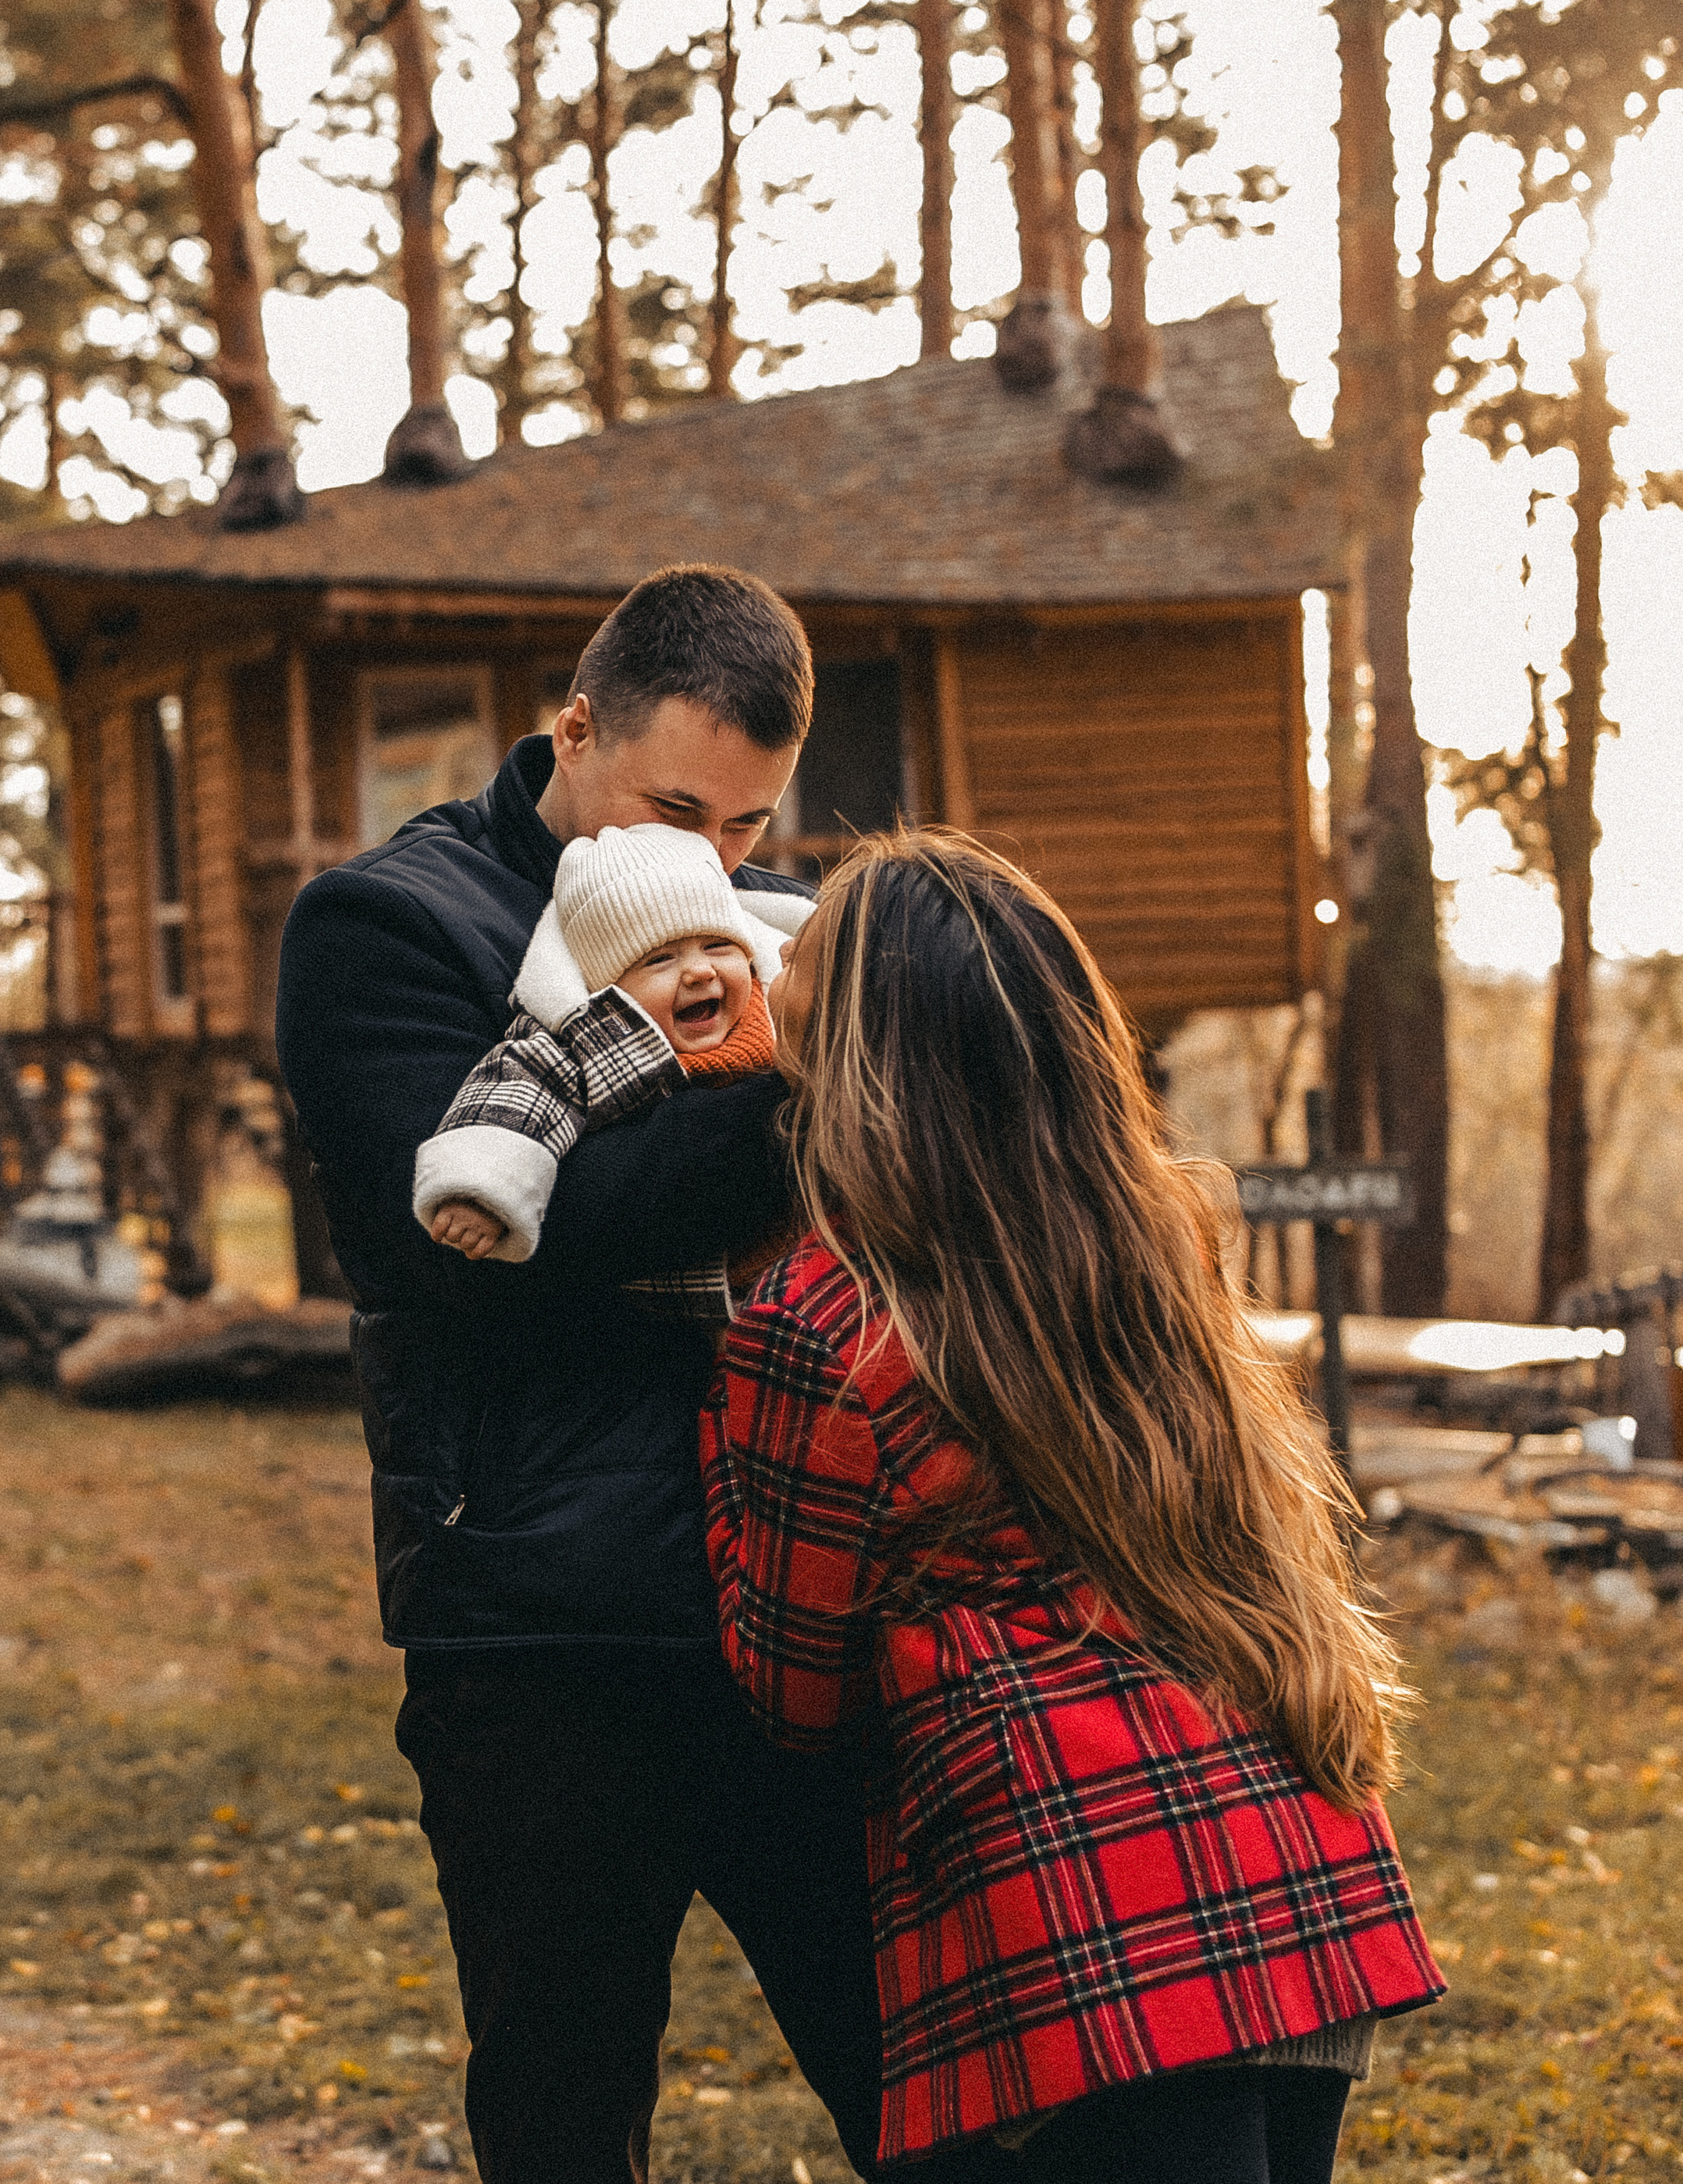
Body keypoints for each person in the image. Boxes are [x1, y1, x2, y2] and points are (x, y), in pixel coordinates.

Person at [701, 831, 1443, 2183]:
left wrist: (712, 1428)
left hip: (1087, 1921)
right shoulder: (1154, 1233)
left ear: (860, 1036)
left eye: (796, 955)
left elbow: (791, 1689)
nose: (767, 959)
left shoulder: (825, 1321)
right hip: (1290, 1856)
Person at [275, 565, 884, 2184]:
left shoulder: (779, 929)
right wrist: (800, 1107)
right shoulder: (388, 926)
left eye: (749, 825)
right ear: (573, 727)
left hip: (796, 1595)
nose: (713, 856)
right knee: (563, 2116)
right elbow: (473, 1244)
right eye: (678, 803)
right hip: (540, 1630)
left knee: (921, 2077)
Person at [415, 820, 795, 1265]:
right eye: (660, 959)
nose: (699, 971)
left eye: (717, 946)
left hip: (807, 1260)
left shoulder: (778, 1006)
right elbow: (513, 1102)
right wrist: (478, 1191)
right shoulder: (584, 1042)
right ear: (608, 987)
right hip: (690, 1280)